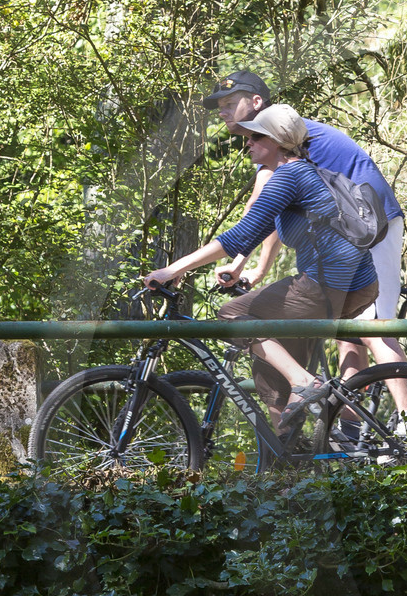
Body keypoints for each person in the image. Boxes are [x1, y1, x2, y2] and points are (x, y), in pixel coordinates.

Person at [138, 105, 377, 443]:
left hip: (327, 288)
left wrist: (171, 269)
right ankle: (290, 460)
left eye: (255, 136)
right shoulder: (304, 172)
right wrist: (242, 268)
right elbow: (257, 232)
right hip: (354, 286)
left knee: (233, 314)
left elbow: (237, 236)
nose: (246, 143)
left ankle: (305, 383)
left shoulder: (289, 176)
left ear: (279, 141)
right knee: (270, 363)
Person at [202, 70, 407, 361]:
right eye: (219, 106)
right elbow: (275, 213)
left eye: (230, 103)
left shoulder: (277, 133)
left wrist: (237, 264)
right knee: (346, 334)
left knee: (373, 327)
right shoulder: (267, 139)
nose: (222, 112)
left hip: (372, 224)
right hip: (348, 232)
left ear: (257, 101)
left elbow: (256, 210)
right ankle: (353, 407)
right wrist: (255, 269)